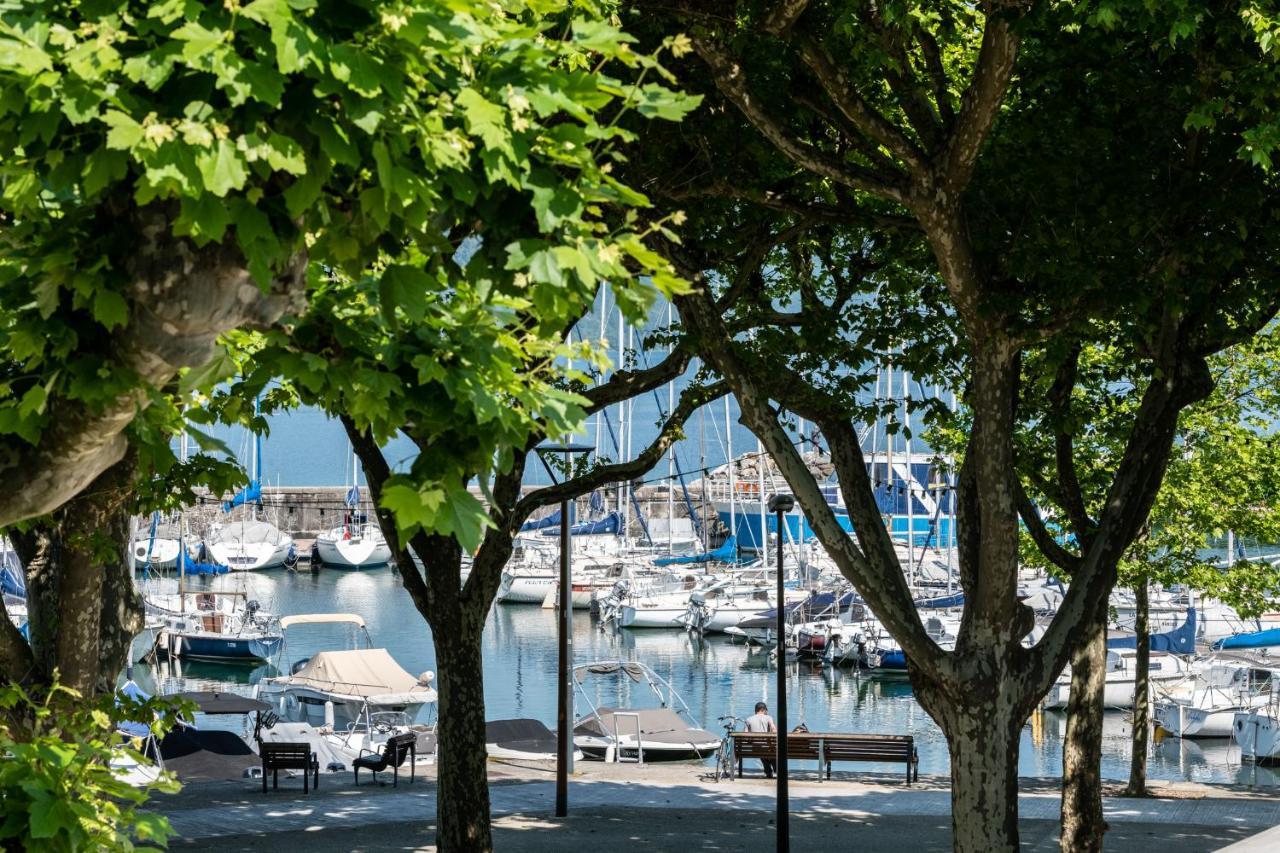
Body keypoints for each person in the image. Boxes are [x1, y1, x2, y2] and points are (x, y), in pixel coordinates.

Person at [745, 701, 778, 778]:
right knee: (770, 749)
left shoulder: (748, 719)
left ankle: (768, 771)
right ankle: (776, 770)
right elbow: (774, 730)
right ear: (763, 710)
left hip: (755, 748)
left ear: (756, 710)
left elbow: (745, 735)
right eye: (766, 710)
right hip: (767, 747)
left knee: (762, 749)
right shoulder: (768, 718)